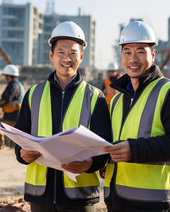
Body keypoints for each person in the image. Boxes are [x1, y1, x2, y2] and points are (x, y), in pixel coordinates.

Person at [14, 21, 111, 212]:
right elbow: (19, 140)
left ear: (81, 57)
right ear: (51, 55)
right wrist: (22, 154)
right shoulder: (33, 94)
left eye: (73, 53)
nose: (67, 58)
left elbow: (105, 147)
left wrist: (90, 163)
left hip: (80, 197)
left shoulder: (95, 97)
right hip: (40, 195)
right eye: (61, 52)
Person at [103, 21, 170, 212]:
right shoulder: (115, 100)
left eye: (140, 51)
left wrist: (134, 149)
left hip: (154, 203)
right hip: (116, 200)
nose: (133, 59)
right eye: (127, 52)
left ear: (153, 55)